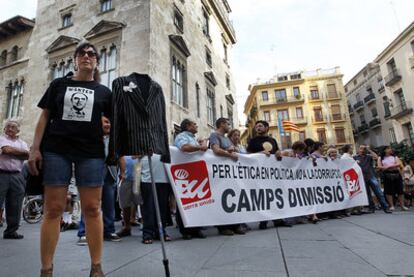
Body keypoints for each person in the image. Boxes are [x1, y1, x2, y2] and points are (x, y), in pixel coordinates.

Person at [29, 42, 111, 277]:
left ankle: (96, 267)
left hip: (91, 152)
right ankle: (46, 270)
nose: (87, 56)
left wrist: (108, 127)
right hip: (57, 150)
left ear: (97, 61)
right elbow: (44, 117)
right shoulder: (58, 85)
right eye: (82, 53)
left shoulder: (105, 93)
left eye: (91, 54)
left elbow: (111, 124)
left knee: (93, 208)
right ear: (75, 60)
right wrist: (35, 148)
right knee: (53, 209)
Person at [246, 120, 291, 229]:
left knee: (274, 195)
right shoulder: (252, 141)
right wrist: (259, 154)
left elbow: (276, 152)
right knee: (262, 195)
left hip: (272, 173)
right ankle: (263, 221)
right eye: (256, 126)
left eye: (260, 126)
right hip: (259, 173)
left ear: (266, 128)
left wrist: (278, 153)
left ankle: (278, 219)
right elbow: (247, 155)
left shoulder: (272, 140)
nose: (258, 128)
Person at [209, 118, 245, 236]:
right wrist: (229, 154)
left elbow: (231, 150)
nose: (229, 126)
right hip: (220, 173)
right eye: (227, 124)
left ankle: (235, 225)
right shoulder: (214, 135)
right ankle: (223, 227)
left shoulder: (227, 139)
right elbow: (215, 150)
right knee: (222, 199)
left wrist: (232, 150)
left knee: (233, 198)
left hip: (230, 174)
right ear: (221, 124)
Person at [174, 119, 207, 240]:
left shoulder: (193, 138)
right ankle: (185, 230)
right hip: (185, 173)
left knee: (197, 201)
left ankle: (196, 229)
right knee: (184, 201)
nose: (196, 125)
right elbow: (184, 147)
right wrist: (200, 147)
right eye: (194, 124)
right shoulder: (181, 136)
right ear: (188, 126)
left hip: (195, 172)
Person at [0, 120, 29, 239]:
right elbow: (6, 150)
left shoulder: (22, 142)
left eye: (13, 127)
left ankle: (11, 231)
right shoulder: (1, 139)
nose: (10, 129)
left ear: (18, 130)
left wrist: (11, 151)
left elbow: (27, 155)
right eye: (8, 127)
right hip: (1, 173)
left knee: (15, 203)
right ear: (4, 129)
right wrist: (18, 153)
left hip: (17, 175)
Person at [140, 154, 172, 244]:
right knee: (148, 208)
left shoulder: (164, 140)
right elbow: (134, 155)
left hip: (163, 177)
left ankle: (160, 232)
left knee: (162, 208)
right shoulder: (142, 141)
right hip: (147, 177)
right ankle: (147, 233)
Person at [354, 145, 391, 214]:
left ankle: (386, 207)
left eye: (364, 148)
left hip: (371, 176)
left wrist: (369, 150)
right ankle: (371, 208)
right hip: (362, 178)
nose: (362, 150)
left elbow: (377, 157)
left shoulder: (368, 156)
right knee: (368, 194)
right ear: (358, 149)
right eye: (361, 148)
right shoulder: (355, 157)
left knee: (379, 192)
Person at [115, 155, 142, 238]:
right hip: (124, 175)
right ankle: (127, 227)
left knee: (140, 201)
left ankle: (146, 226)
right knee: (125, 202)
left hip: (138, 174)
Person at [378, 146, 408, 211]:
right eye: (388, 148)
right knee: (389, 191)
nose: (390, 149)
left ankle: (402, 206)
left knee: (400, 190)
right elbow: (379, 166)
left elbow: (399, 164)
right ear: (384, 150)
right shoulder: (380, 158)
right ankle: (391, 206)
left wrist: (388, 166)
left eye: (390, 148)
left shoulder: (395, 157)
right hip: (387, 175)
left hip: (396, 173)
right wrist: (390, 167)